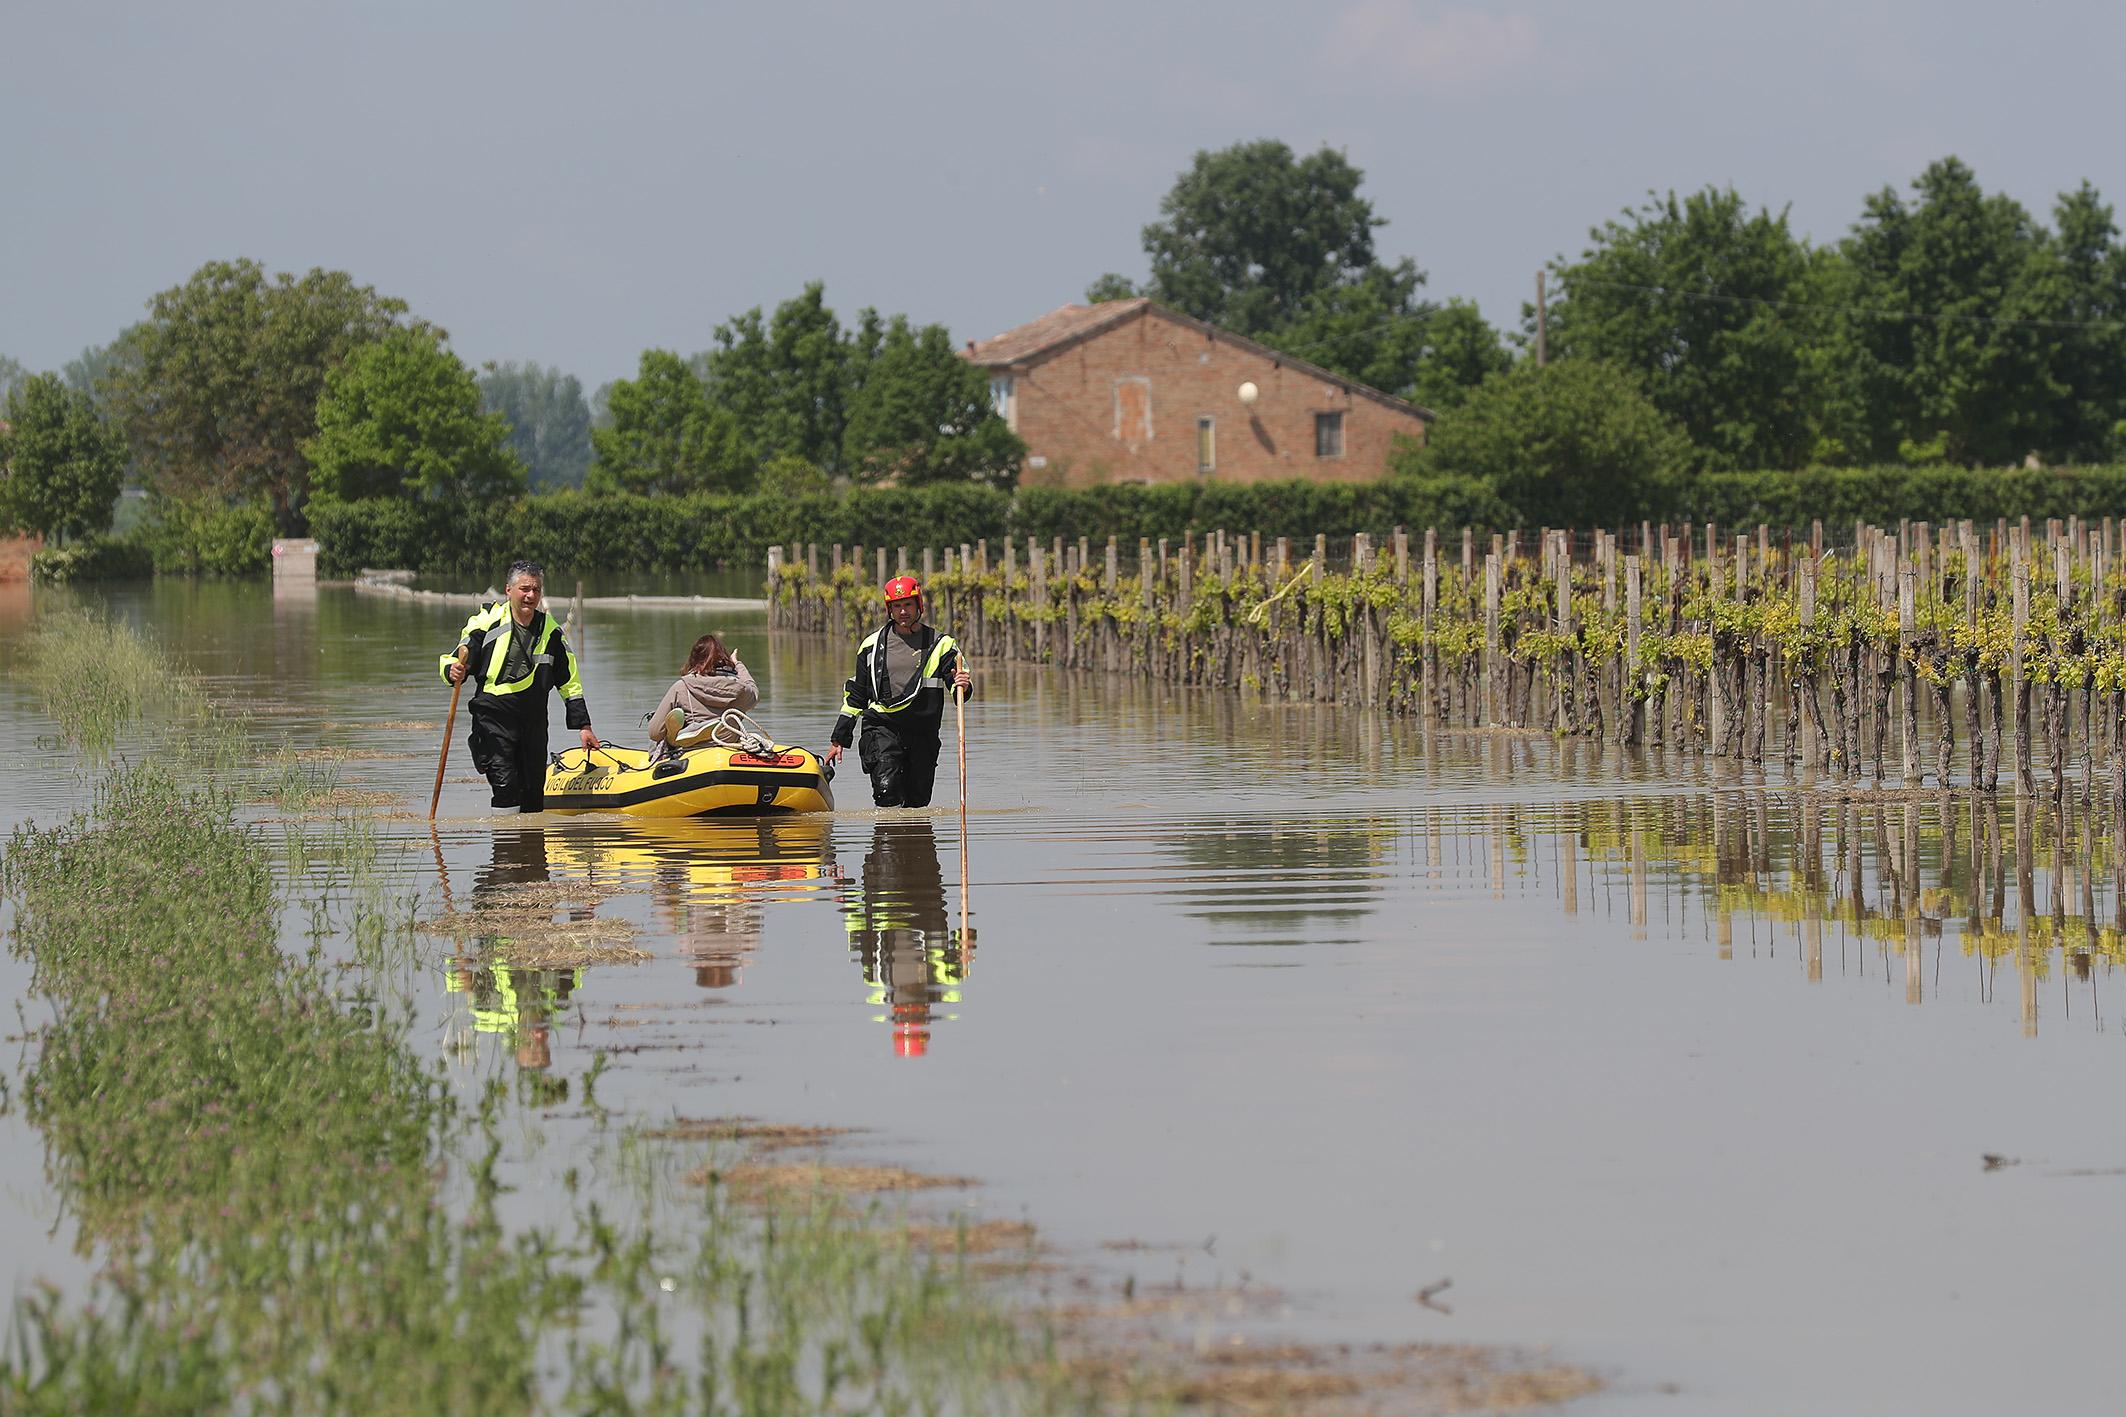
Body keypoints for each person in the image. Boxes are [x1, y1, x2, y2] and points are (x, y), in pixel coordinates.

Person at [440, 560, 598, 812]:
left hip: (533, 719)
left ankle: (531, 849)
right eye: (525, 589)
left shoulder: (552, 632)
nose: (530, 596)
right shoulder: (487, 621)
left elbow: (570, 681)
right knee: (506, 787)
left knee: (533, 793)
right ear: (508, 590)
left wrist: (584, 726)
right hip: (493, 715)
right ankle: (506, 848)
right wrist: (452, 670)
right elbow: (457, 656)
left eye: (536, 590)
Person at [823, 575, 972, 808]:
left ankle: (914, 842)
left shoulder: (942, 644)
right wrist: (838, 738)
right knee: (886, 792)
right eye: (897, 606)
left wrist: (962, 684)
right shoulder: (870, 646)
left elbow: (958, 685)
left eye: (908, 605)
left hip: (924, 732)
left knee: (918, 801)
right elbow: (857, 696)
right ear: (890, 609)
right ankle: (886, 841)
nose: (903, 612)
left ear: (919, 605)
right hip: (882, 726)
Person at [646, 633, 758, 761]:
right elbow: (754, 692)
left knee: (663, 733)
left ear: (694, 660)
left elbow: (654, 732)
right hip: (729, 752)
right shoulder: (741, 689)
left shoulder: (681, 687)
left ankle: (677, 737)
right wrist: (737, 664)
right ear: (724, 659)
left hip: (693, 757)